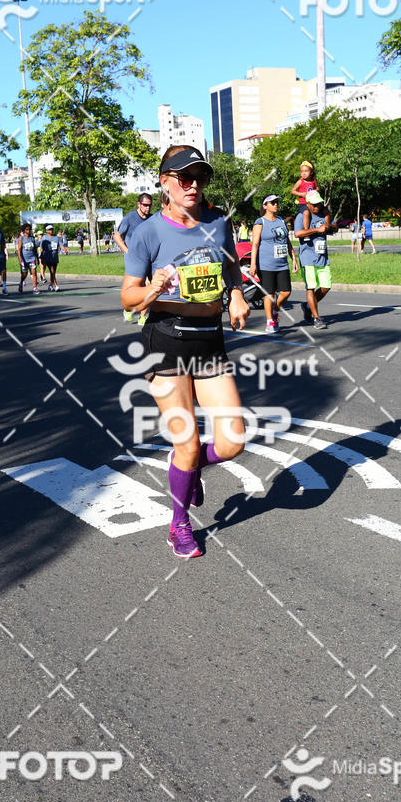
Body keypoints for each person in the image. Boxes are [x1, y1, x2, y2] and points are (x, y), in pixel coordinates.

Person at [121, 145, 249, 559]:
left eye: (200, 178)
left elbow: (231, 266)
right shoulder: (147, 233)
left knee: (232, 442)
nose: (193, 185)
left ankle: (190, 472)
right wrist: (152, 288)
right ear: (164, 182)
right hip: (165, 344)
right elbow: (127, 299)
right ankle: (178, 525)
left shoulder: (217, 222)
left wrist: (236, 295)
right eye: (183, 177)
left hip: (209, 341)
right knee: (187, 445)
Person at [249, 194, 298, 333]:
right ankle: (270, 322)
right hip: (266, 264)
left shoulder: (281, 221)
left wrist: (293, 257)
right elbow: (255, 244)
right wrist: (253, 264)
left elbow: (286, 241)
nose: (276, 204)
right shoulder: (260, 222)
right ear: (265, 205)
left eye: (277, 202)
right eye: (273, 202)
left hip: (282, 263)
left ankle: (275, 310)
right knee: (269, 294)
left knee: (286, 291)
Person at [294, 190, 336, 330]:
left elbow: (335, 227)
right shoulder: (301, 216)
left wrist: (329, 227)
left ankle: (306, 306)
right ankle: (317, 318)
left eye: (319, 203)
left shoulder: (324, 214)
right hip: (307, 257)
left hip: (322, 257)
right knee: (310, 287)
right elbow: (298, 233)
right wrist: (316, 230)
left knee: (326, 286)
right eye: (314, 204)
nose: (317, 206)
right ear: (308, 204)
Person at [115, 193, 153, 324]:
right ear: (139, 204)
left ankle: (143, 316)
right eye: (145, 205)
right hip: (134, 259)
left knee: (149, 286)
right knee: (138, 286)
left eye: (149, 205)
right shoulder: (129, 218)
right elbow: (117, 236)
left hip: (149, 257)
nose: (148, 208)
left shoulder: (152, 219)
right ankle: (128, 309)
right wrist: (127, 251)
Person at [17, 222, 41, 294]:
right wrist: (20, 259)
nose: (28, 231)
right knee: (24, 274)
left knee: (34, 272)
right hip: (24, 259)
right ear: (24, 230)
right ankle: (21, 283)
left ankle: (35, 288)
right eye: (27, 229)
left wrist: (37, 258)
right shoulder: (21, 238)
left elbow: (35, 249)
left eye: (29, 229)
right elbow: (19, 249)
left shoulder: (32, 238)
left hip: (32, 258)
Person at [41, 224, 62, 291]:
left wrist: (65, 249)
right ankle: (56, 285)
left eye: (52, 229)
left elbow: (60, 245)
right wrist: (41, 256)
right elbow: (41, 248)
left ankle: (50, 285)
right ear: (46, 231)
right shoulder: (44, 238)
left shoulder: (56, 237)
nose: (51, 231)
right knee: (52, 271)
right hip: (47, 257)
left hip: (55, 257)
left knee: (53, 272)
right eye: (49, 229)